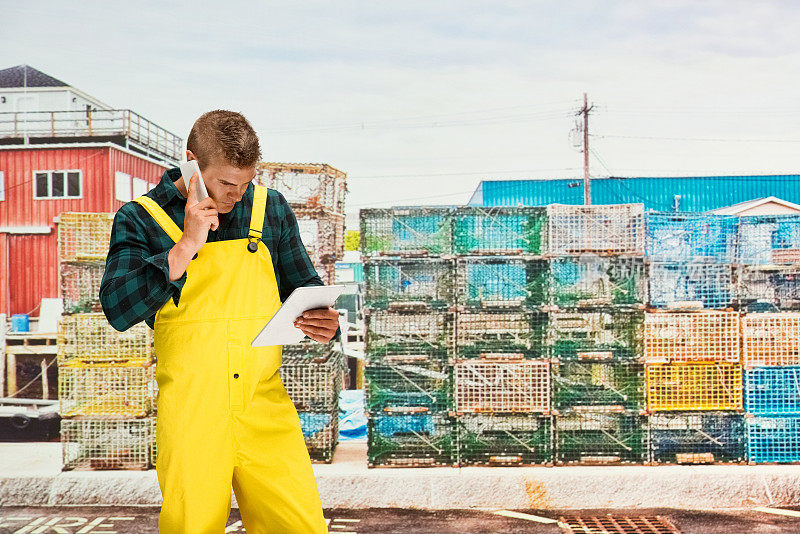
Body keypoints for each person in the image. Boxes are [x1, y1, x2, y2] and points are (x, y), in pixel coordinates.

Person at [99, 109, 338, 533]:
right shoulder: (140, 218)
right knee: (191, 526)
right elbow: (118, 310)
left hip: (263, 405)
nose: (237, 194)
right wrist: (187, 245)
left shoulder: (271, 208)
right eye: (226, 183)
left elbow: (303, 287)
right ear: (191, 161)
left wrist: (321, 320)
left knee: (301, 525)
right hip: (192, 413)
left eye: (246, 182)